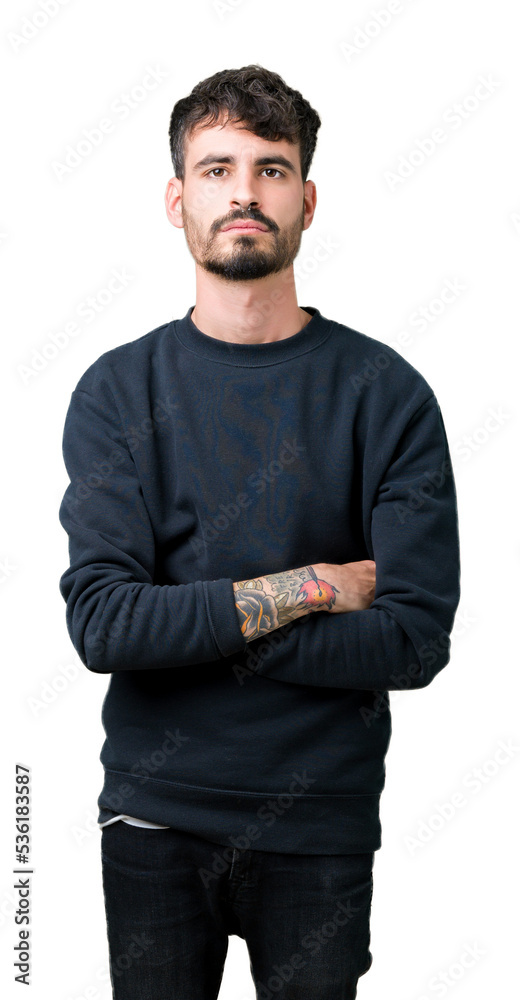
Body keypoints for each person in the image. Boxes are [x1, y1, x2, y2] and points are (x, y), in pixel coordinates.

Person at [58, 64, 461, 1000]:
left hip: (320, 825)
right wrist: (316, 584)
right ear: (176, 198)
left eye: (272, 169)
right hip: (156, 820)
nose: (244, 193)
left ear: (308, 199)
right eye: (217, 168)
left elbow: (411, 640)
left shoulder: (385, 394)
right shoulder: (118, 392)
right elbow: (106, 629)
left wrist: (192, 619)